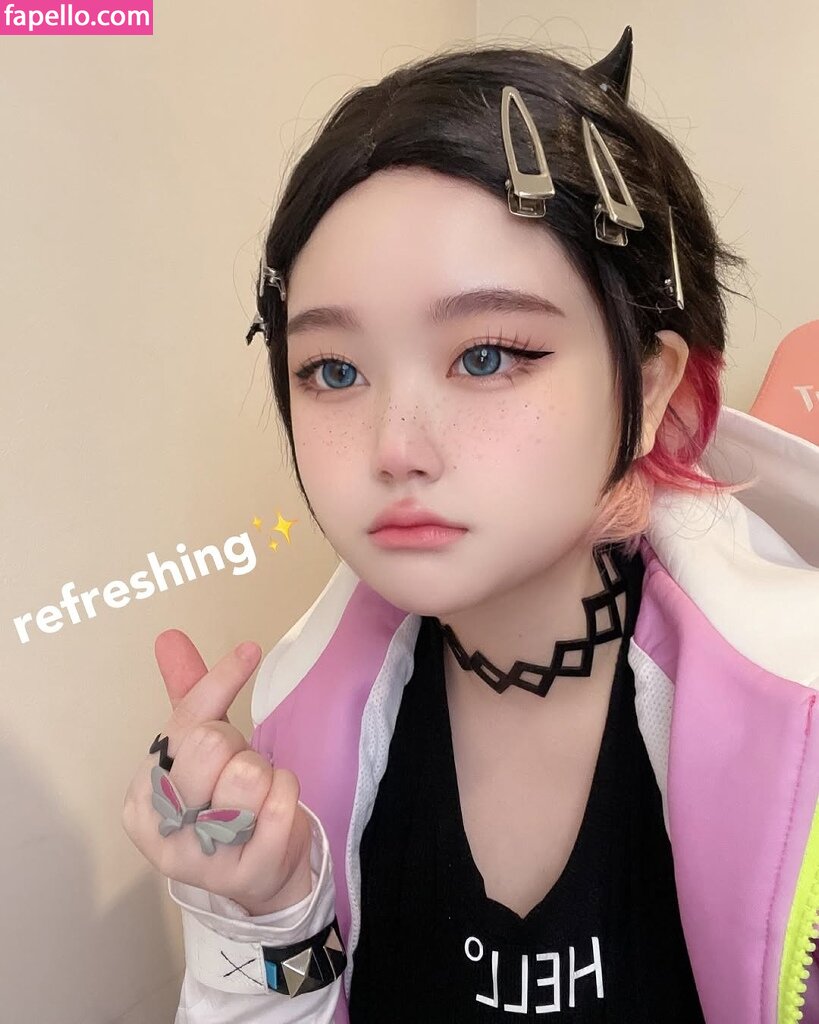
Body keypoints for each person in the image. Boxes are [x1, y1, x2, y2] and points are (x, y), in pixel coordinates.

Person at [121, 27, 819, 1024]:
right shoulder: (304, 725)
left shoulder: (800, 744)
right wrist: (264, 921)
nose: (395, 447)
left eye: (487, 355)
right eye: (333, 370)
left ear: (650, 388)